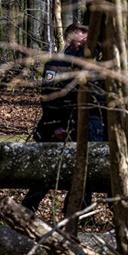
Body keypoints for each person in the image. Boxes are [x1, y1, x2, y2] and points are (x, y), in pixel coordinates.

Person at [21, 22, 108, 212]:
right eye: (81, 31)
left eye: (87, 32)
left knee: (89, 167)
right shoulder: (57, 62)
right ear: (71, 35)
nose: (85, 36)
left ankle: (78, 210)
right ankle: (28, 207)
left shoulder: (97, 62)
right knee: (50, 168)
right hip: (62, 121)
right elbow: (50, 96)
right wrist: (55, 125)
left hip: (92, 122)